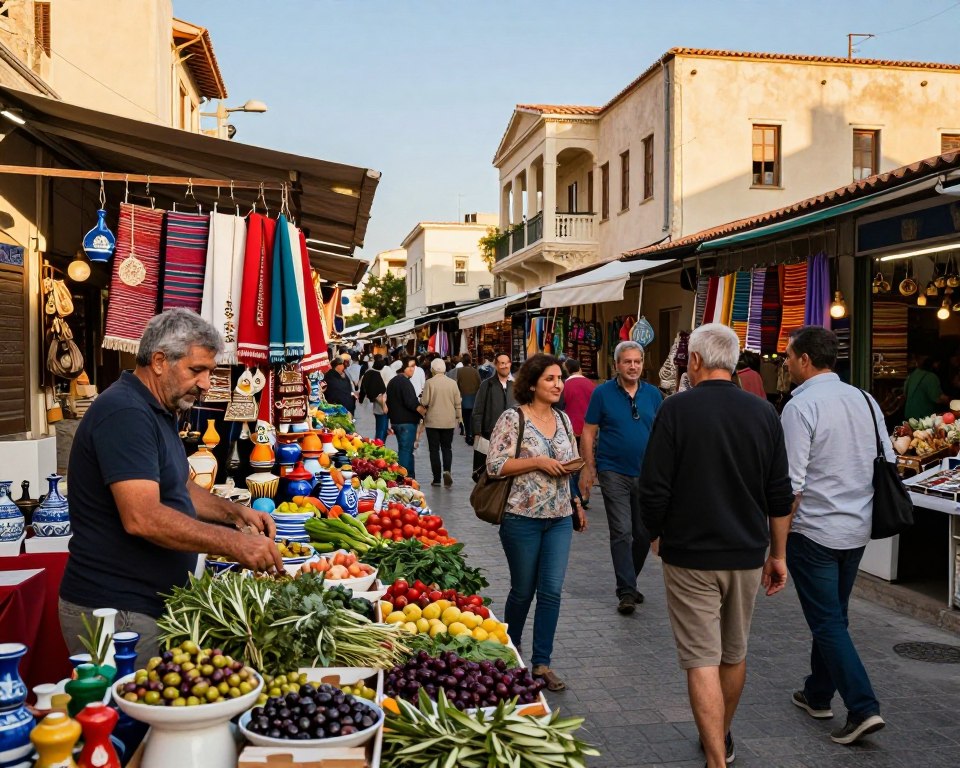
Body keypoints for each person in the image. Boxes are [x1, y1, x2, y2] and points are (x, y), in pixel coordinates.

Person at [59, 309, 282, 664]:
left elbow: (177, 487)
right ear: (160, 361)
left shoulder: (156, 409)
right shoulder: (125, 413)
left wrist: (235, 513)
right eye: (197, 370)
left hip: (143, 604)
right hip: (118, 610)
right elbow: (142, 517)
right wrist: (234, 543)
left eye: (209, 371)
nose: (207, 383)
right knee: (127, 717)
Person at [640, 324, 794, 768]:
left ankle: (716, 758)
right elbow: (779, 494)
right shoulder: (764, 414)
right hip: (746, 553)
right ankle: (720, 737)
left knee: (700, 659)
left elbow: (653, 489)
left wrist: (654, 533)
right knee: (733, 652)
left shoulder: (676, 411)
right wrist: (778, 555)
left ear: (695, 361)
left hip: (689, 554)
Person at [781, 326, 890, 746]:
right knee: (834, 617)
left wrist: (776, 542)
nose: (786, 364)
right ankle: (818, 693)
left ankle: (862, 706)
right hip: (856, 527)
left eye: (789, 357)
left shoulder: (800, 406)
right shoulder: (865, 400)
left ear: (806, 360)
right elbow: (887, 459)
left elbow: (792, 483)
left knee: (827, 620)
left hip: (815, 531)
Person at [486, 353, 585, 692]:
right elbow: (495, 466)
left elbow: (570, 462)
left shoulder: (564, 420)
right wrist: (538, 461)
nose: (558, 384)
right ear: (531, 384)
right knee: (523, 590)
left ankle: (542, 664)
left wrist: (575, 500)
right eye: (550, 379)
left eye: (560, 378)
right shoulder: (514, 419)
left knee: (552, 591)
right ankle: (510, 653)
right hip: (521, 518)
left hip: (559, 518)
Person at [579, 340, 662, 615]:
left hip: (647, 473)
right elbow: (589, 431)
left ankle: (630, 581)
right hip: (612, 471)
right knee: (622, 531)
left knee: (643, 534)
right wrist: (589, 467)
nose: (633, 366)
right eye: (627, 361)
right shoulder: (602, 393)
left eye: (637, 361)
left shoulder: (653, 395)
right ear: (617, 365)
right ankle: (625, 590)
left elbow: (663, 435)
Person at [418, 357, 463, 487]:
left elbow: (425, 401)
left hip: (432, 421)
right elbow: (457, 402)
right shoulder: (452, 383)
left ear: (432, 369)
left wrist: (421, 399)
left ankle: (437, 478)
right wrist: (459, 419)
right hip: (448, 421)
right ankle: (447, 471)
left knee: (434, 450)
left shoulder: (429, 383)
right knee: (447, 448)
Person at [472, 353, 516, 472]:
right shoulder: (487, 385)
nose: (504, 366)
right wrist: (477, 431)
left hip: (512, 435)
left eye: (506, 363)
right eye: (501, 363)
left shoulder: (515, 385)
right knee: (488, 469)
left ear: (510, 364)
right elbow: (478, 409)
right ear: (496, 365)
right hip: (490, 434)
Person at [386, 355, 422, 478]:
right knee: (406, 451)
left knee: (406, 450)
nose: (413, 369)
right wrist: (422, 411)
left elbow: (389, 402)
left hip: (396, 421)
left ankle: (410, 476)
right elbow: (411, 402)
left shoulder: (393, 382)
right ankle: (403, 477)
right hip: (406, 422)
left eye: (414, 366)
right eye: (410, 366)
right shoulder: (404, 382)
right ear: (403, 368)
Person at [903, 354, 948, 420]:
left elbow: (905, 393)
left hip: (909, 415)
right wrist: (950, 400)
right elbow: (937, 399)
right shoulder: (931, 377)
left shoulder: (913, 374)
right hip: (923, 418)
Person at [360, 356, 389, 443]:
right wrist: (384, 405)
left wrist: (361, 398)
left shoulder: (369, 373)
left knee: (381, 429)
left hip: (379, 407)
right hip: (382, 407)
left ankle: (379, 446)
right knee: (382, 430)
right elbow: (380, 393)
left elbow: (364, 388)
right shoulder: (375, 374)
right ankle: (379, 447)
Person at [456, 354, 482, 445]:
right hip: (474, 397)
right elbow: (480, 383)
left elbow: (458, 383)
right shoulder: (475, 371)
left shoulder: (459, 371)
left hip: (464, 397)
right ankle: (474, 435)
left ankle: (468, 435)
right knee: (473, 417)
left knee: (466, 418)